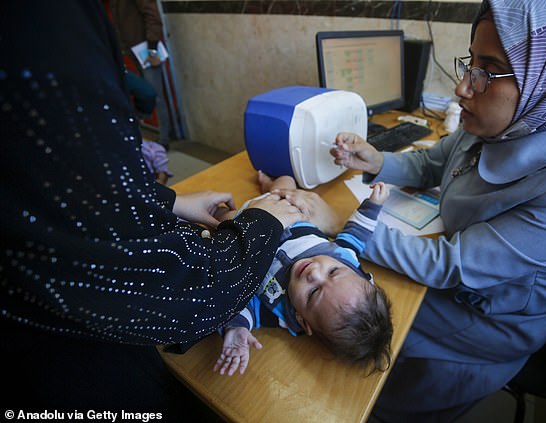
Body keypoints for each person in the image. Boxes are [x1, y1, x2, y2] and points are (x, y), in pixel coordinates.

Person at [330, 0, 546, 421]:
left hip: (489, 319)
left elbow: (450, 264)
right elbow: (431, 163)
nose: (463, 88)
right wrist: (376, 160)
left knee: (355, 326)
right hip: (456, 275)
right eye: (470, 63)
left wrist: (343, 224)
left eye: (487, 70)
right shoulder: (506, 120)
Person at [0, 2, 305, 419]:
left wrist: (166, 201)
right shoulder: (39, 22)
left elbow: (57, 185)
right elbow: (170, 284)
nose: (316, 274)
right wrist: (264, 221)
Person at [212, 172, 394, 376]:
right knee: (286, 181)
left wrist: (237, 328)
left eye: (314, 292)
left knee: (218, 219)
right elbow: (357, 232)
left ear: (303, 320)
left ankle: (213, 211)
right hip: (283, 205)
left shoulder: (277, 311)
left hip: (242, 228)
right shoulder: (345, 257)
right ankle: (269, 183)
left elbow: (245, 307)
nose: (314, 272)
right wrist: (373, 205)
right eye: (333, 271)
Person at [109, 0, 173, 150]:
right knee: (146, 93)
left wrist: (152, 49)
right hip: (133, 51)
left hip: (147, 51)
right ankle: (151, 137)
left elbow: (152, 16)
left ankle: (164, 140)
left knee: (155, 95)